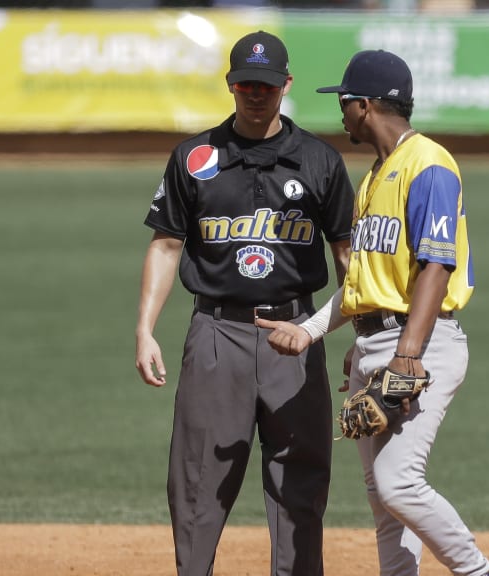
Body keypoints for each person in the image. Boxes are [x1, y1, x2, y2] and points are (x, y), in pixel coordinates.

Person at [254, 49, 489, 576]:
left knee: (399, 484)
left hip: (421, 345)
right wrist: (314, 331)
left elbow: (436, 267)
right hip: (377, 345)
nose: (340, 113)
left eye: (344, 102)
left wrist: (406, 354)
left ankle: (477, 571)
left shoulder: (427, 163)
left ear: (365, 105)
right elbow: (363, 283)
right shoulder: (372, 178)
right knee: (381, 497)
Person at [134, 30, 355, 576]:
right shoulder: (194, 158)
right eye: (246, 84)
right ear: (231, 85)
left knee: (300, 480)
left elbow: (350, 258)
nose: (257, 94)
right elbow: (165, 245)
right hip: (216, 333)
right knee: (196, 479)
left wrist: (362, 337)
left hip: (298, 333)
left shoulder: (319, 161)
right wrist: (145, 329)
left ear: (287, 85)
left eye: (267, 84)